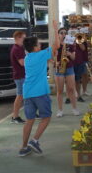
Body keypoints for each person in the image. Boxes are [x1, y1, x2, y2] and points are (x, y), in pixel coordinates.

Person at [18, 21, 58, 156]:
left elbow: (40, 62)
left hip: (28, 93)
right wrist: (55, 29)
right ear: (34, 47)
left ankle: (23, 148)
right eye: (39, 44)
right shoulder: (40, 55)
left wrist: (48, 61)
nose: (40, 45)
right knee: (46, 117)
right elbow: (56, 46)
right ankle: (34, 141)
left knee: (29, 120)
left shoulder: (27, 57)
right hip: (40, 92)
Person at [55, 28, 79, 117]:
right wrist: (55, 62)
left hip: (69, 68)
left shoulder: (70, 44)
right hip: (59, 69)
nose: (63, 34)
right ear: (58, 35)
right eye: (61, 33)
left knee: (71, 89)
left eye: (65, 33)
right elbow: (51, 57)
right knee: (60, 90)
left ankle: (74, 108)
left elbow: (73, 58)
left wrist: (69, 54)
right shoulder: (56, 45)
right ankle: (60, 110)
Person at [10, 31, 27, 124]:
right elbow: (22, 63)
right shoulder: (17, 49)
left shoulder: (20, 48)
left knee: (25, 96)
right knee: (20, 96)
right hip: (20, 76)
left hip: (22, 75)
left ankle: (30, 112)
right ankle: (15, 117)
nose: (25, 40)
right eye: (23, 38)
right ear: (17, 38)